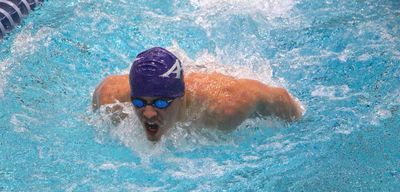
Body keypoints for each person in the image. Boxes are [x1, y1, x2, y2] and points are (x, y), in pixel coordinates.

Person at [92, 47, 303, 142]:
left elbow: (282, 99)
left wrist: (301, 127)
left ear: (180, 96)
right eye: (139, 102)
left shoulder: (225, 106)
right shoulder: (111, 98)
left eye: (160, 103)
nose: (148, 113)